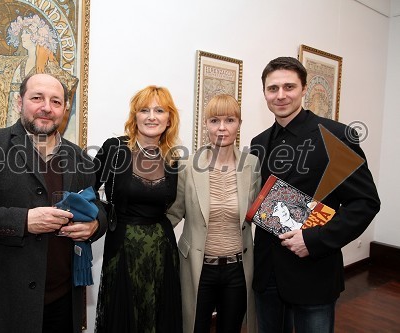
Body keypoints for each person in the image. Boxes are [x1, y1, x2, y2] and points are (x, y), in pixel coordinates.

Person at [0, 73, 107, 333]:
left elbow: (97, 204)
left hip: (64, 306)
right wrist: (24, 221)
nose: (47, 108)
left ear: (64, 109)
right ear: (19, 103)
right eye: (37, 98)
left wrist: (95, 225)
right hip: (6, 306)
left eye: (56, 101)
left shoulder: (79, 156)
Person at [250, 57, 381, 333]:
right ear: (264, 93)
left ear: (304, 89)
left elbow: (365, 203)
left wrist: (314, 240)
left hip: (314, 271)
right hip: (267, 274)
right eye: (273, 89)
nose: (281, 95)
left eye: (289, 87)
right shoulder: (258, 143)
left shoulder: (337, 135)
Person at [167, 94, 261, 333]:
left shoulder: (252, 164)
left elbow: (259, 213)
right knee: (193, 327)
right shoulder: (187, 166)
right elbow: (173, 213)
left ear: (239, 124)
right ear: (205, 124)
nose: (222, 128)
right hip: (198, 268)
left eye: (229, 120)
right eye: (214, 120)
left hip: (237, 270)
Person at [94, 85, 183, 332]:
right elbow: (86, 190)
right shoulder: (114, 148)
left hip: (161, 250)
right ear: (135, 116)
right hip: (123, 248)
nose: (151, 116)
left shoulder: (173, 158)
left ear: (169, 119)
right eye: (144, 110)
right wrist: (100, 216)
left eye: (159, 110)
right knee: (124, 317)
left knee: (158, 316)